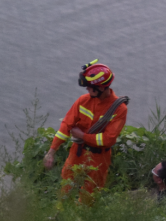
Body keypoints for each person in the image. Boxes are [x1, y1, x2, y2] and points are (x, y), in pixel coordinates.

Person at [42, 59, 128, 199]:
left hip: (99, 158)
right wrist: (51, 151)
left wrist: (82, 136)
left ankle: (83, 219)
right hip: (77, 153)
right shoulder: (83, 100)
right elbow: (66, 125)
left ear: (101, 87)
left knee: (89, 198)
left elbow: (108, 139)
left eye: (89, 87)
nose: (87, 89)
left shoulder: (119, 109)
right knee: (65, 192)